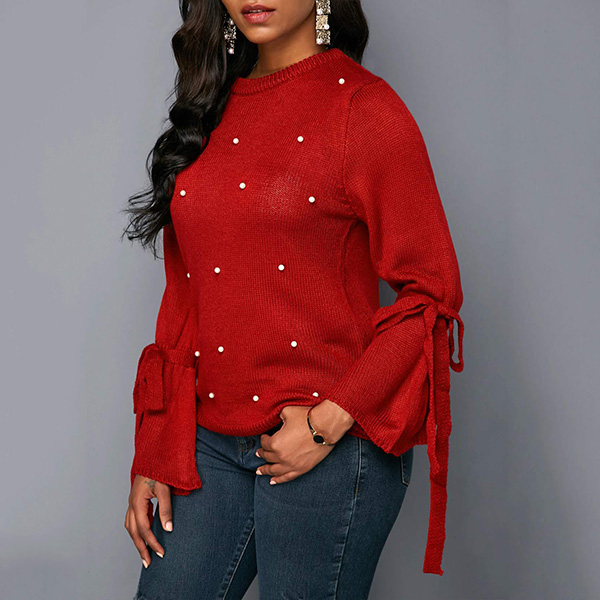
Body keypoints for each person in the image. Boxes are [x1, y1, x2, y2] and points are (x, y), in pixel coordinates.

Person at [122, 1, 465, 597]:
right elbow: (187, 296)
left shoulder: (365, 109)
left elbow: (431, 290)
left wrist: (329, 422)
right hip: (209, 442)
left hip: (330, 443)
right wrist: (156, 447)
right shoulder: (209, 108)